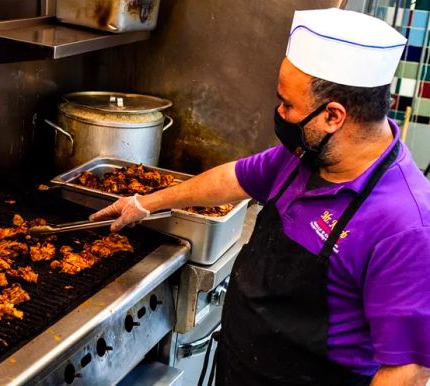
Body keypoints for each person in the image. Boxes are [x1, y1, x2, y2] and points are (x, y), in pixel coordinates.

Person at [90, 8, 430, 386]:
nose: (280, 113)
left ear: (333, 116)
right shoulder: (304, 156)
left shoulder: (405, 226)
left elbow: (407, 372)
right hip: (242, 366)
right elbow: (231, 178)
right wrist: (146, 202)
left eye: (287, 104)